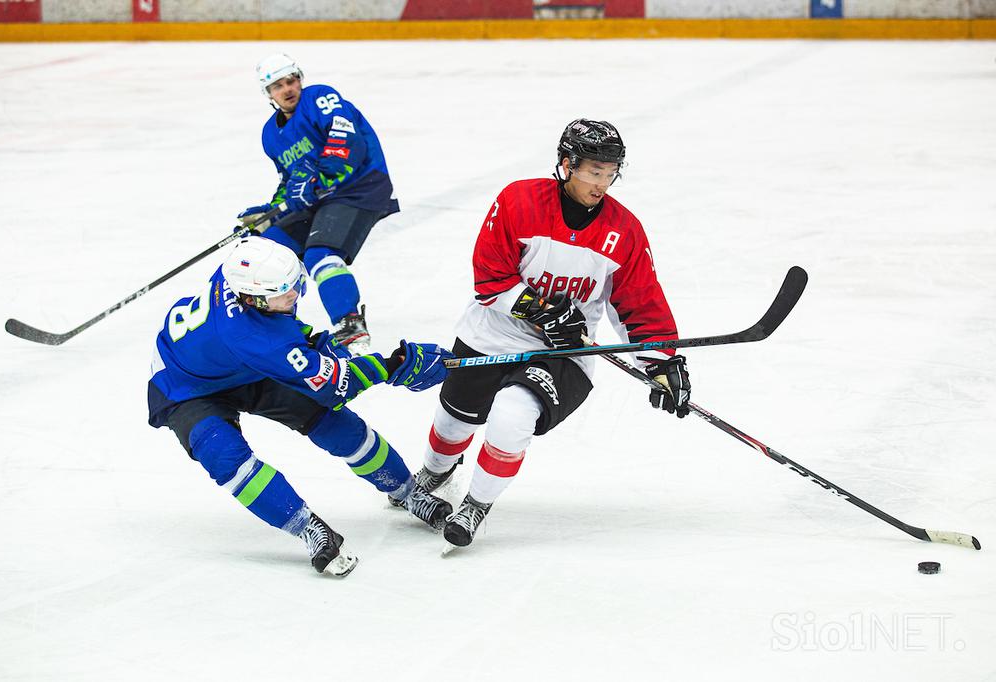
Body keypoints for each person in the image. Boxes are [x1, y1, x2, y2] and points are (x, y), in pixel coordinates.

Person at [414, 119, 693, 551]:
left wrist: (661, 363)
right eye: (593, 171)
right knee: (453, 423)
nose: (602, 183)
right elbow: (491, 278)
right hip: (493, 333)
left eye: (610, 172)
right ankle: (434, 471)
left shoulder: (625, 232)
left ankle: (476, 505)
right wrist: (541, 312)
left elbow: (640, 301)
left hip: (564, 354)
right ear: (566, 165)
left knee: (512, 414)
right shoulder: (518, 201)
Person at [147, 236, 452, 577]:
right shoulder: (254, 337)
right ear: (253, 299)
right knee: (225, 458)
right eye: (284, 291)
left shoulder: (241, 275)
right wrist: (393, 365)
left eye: (296, 283)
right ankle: (307, 527)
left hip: (239, 365)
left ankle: (407, 492)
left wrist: (314, 342)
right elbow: (338, 386)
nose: (294, 294)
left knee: (337, 428)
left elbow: (284, 335)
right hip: (184, 387)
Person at [237, 53, 399, 355]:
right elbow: (290, 181)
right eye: (277, 86)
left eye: (291, 80)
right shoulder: (270, 134)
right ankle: (272, 328)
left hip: (360, 189)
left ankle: (349, 323)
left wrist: (318, 181)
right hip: (320, 199)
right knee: (266, 250)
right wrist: (270, 213)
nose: (287, 89)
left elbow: (347, 142)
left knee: (320, 254)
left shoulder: (320, 98)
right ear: (267, 94)